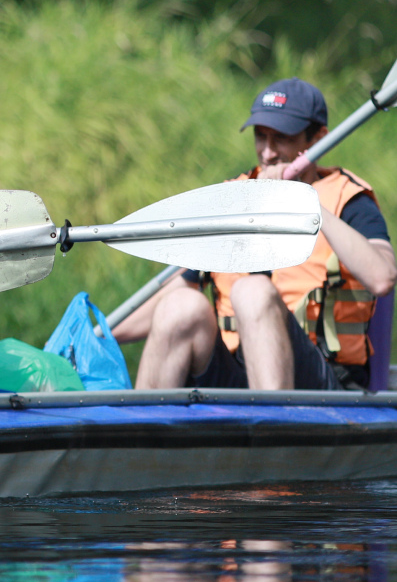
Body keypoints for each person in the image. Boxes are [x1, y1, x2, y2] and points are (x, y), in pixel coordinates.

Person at [116, 78, 395, 391]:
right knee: (182, 303)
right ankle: (146, 434)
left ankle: (272, 430)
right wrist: (99, 332)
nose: (268, 153)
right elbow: (169, 296)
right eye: (261, 137)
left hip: (320, 379)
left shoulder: (349, 201)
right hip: (237, 372)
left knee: (253, 291)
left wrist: (307, 201)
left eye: (282, 139)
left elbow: (382, 277)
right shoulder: (235, 198)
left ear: (319, 139)